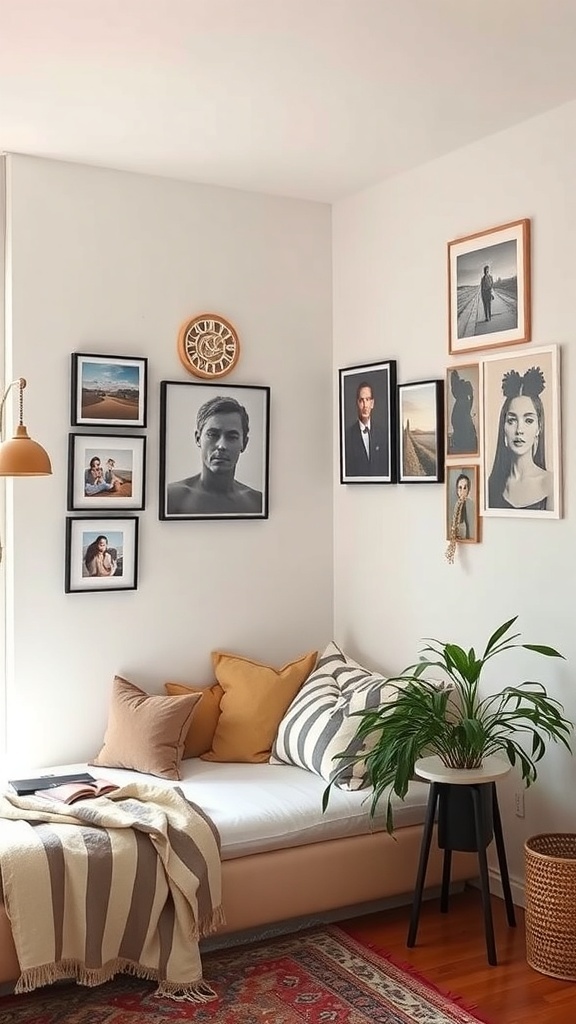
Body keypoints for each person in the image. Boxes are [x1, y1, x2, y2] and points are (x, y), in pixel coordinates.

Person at [167, 395, 263, 515]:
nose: (221, 445)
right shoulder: (171, 497)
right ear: (198, 439)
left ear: (244, 443)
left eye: (232, 437)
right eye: (212, 435)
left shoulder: (257, 502)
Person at [487, 367, 553, 511]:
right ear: (503, 427)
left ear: (539, 428)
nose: (519, 430)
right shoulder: (492, 485)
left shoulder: (550, 483)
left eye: (528, 420)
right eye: (512, 421)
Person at [344, 381, 389, 477]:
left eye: (367, 400)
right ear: (357, 403)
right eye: (361, 400)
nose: (365, 405)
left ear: (372, 403)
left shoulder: (383, 435)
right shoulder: (347, 437)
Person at [449, 369, 477, 454]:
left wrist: (469, 406)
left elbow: (471, 396)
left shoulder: (463, 390)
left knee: (466, 432)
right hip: (462, 411)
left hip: (463, 410)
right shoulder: (461, 397)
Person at [451, 473, 474, 540]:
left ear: (468, 489)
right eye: (460, 488)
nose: (462, 491)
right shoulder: (455, 506)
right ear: (457, 489)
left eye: (465, 488)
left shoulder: (471, 504)